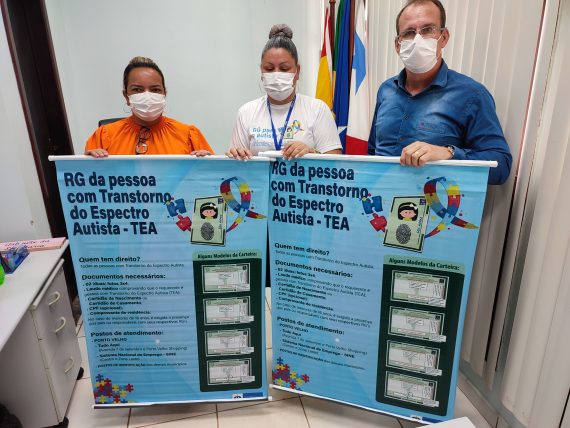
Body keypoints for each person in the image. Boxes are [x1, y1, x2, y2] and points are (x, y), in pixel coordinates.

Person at [367, 0, 512, 185]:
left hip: (433, 200)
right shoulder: (386, 90)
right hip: (379, 200)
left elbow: (501, 166)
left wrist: (448, 153)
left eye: (428, 30)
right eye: (409, 33)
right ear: (398, 44)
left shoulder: (472, 95)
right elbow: (372, 152)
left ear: (443, 37)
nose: (418, 39)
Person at [228, 24, 342, 160]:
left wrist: (311, 152)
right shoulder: (246, 112)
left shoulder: (317, 110)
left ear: (297, 71)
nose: (276, 75)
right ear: (261, 71)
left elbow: (335, 162)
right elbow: (236, 164)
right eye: (269, 69)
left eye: (284, 68)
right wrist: (236, 155)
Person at [85, 56, 213, 157]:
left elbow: (213, 178)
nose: (147, 96)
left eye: (155, 90)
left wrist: (206, 164)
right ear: (126, 96)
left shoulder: (189, 136)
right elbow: (86, 178)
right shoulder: (104, 136)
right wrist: (87, 163)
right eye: (137, 89)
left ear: (164, 94)